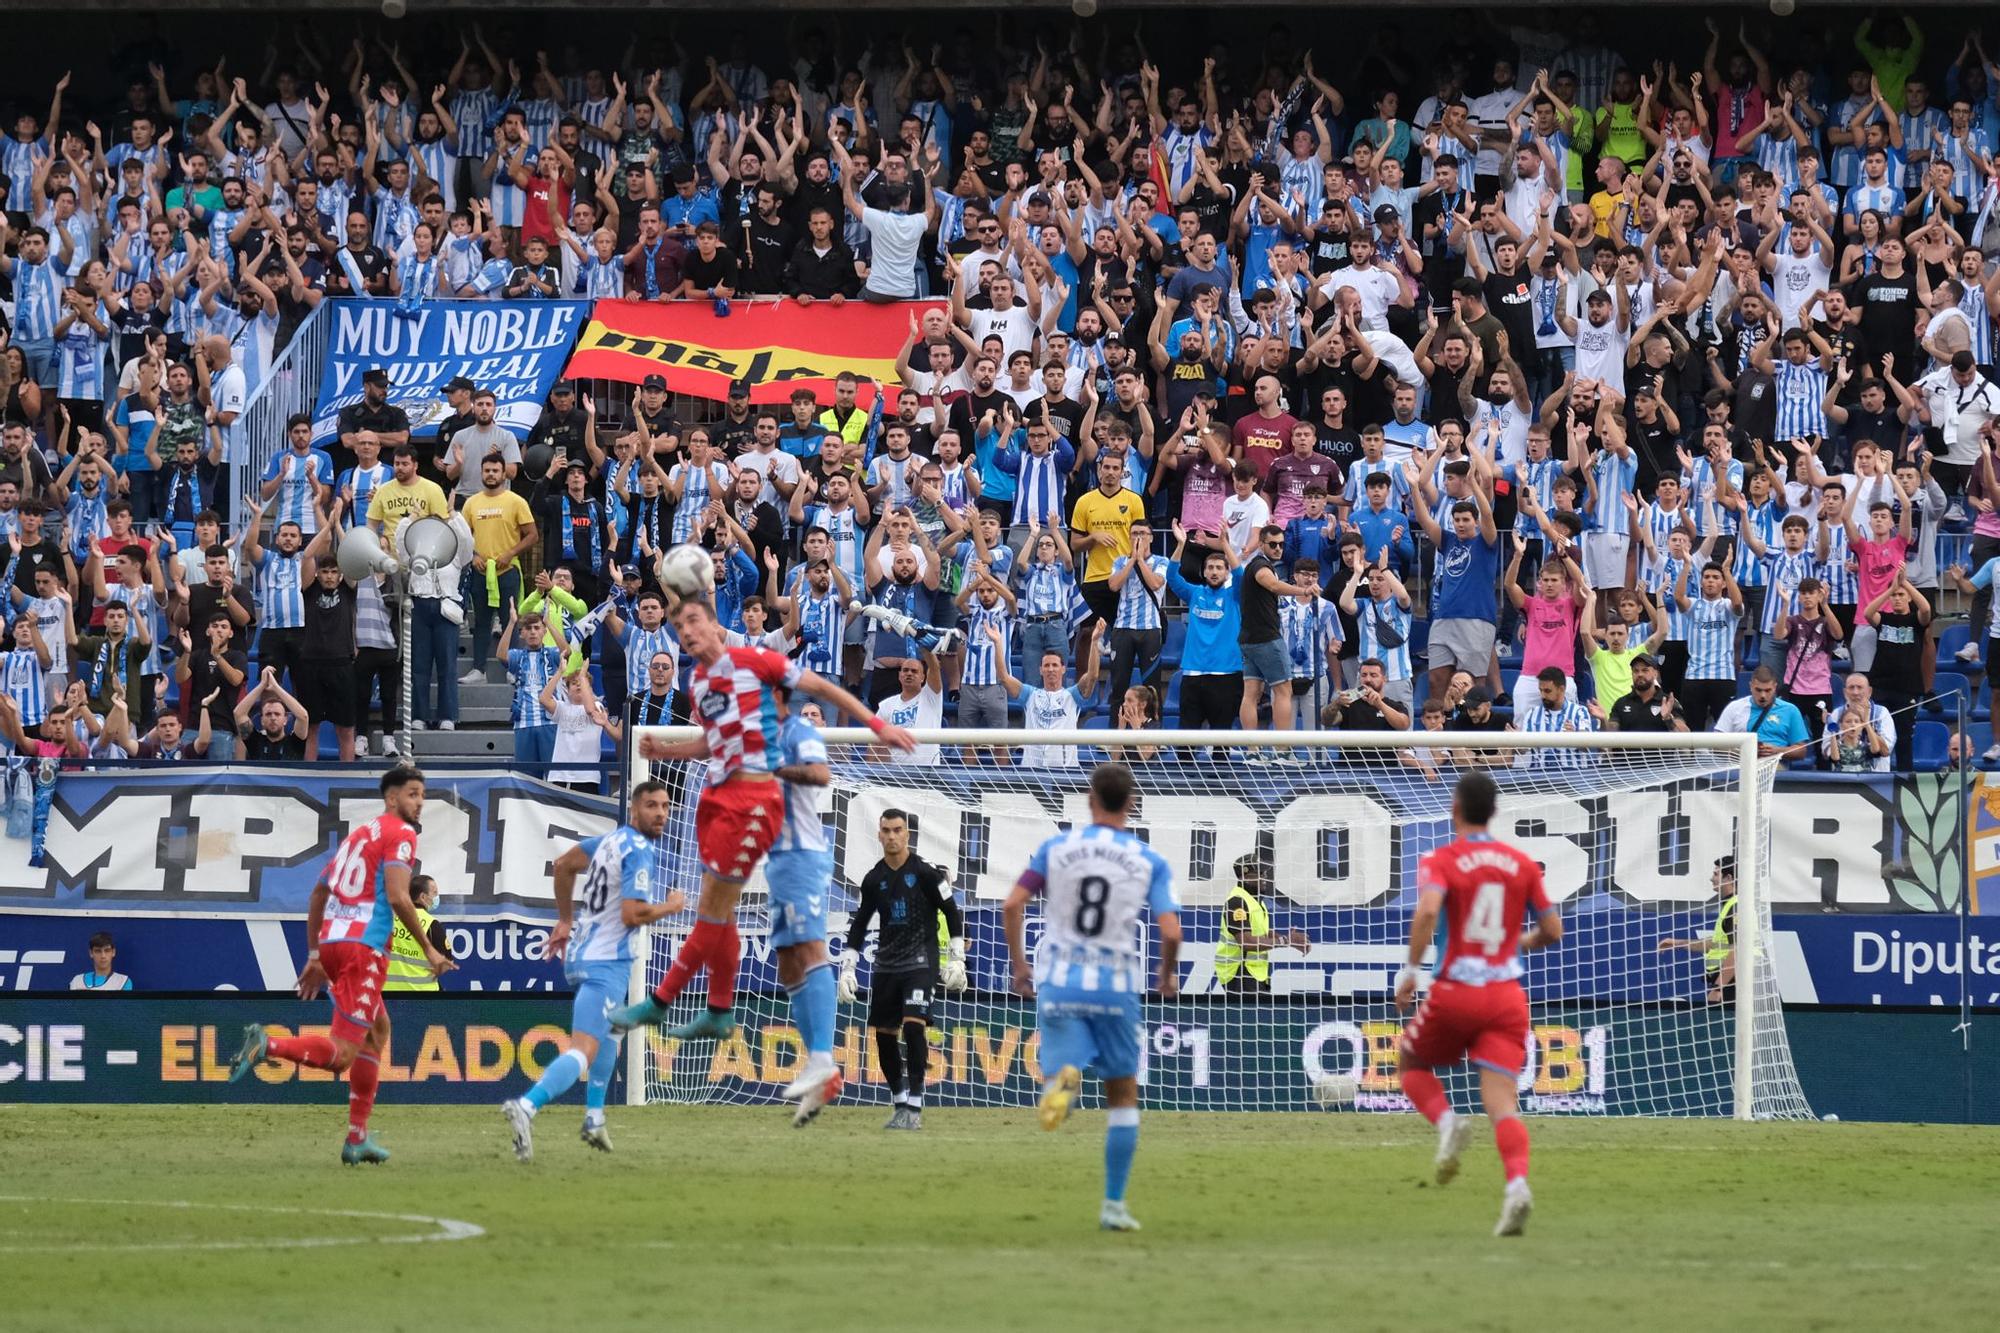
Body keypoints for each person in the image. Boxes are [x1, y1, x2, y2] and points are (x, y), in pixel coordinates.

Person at [612, 598, 913, 1041]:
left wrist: (875, 724)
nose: (688, 633)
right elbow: (713, 742)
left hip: (753, 798)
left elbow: (823, 688)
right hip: (719, 795)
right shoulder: (697, 684)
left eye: (694, 622)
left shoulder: (753, 659)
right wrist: (666, 752)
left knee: (715, 907)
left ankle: (661, 1003)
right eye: (680, 627)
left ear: (717, 628)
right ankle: (716, 1009)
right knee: (719, 909)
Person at [227, 766, 455, 1165]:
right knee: (344, 1054)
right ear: (391, 799)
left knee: (378, 1029)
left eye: (422, 795)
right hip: (363, 948)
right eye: (412, 794)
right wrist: (431, 951)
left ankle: (357, 1137)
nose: (419, 803)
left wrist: (316, 954)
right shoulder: (400, 835)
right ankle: (269, 1044)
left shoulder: (360, 835)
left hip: (335, 942)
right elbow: (402, 899)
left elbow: (318, 892)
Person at [1004, 762, 1181, 1233]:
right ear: (1131, 804)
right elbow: (1170, 929)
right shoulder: (1149, 860)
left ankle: (1059, 1082)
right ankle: (1113, 1205)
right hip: (1115, 986)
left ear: (1090, 800)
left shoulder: (1056, 847)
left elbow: (1012, 903)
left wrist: (1021, 966)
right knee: (1123, 1094)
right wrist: (1166, 976)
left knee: (1062, 1066)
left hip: (1059, 982)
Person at [1395, 769, 1563, 1238]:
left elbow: (1428, 910)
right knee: (1504, 1103)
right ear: (1493, 812)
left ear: (1454, 809)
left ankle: (1447, 1122)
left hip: (1456, 989)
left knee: (1409, 1059)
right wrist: (1515, 944)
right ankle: (1516, 1187)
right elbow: (1553, 931)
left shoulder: (1441, 859)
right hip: (1508, 997)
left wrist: (1410, 972)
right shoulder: (1522, 863)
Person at [503, 780, 683, 1160]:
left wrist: (565, 920)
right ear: (633, 810)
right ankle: (528, 1105)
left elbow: (564, 864)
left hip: (587, 953)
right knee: (583, 1048)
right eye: (652, 805)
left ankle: (595, 1117)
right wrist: (671, 907)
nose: (661, 813)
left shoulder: (608, 841)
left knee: (614, 1032)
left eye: (666, 806)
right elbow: (632, 914)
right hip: (605, 961)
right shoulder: (638, 850)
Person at [839, 808, 968, 1130]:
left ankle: (915, 1103)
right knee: (884, 1036)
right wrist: (848, 965)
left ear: (907, 834)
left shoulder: (926, 874)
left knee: (913, 1026)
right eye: (886, 830)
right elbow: (860, 922)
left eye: (898, 830)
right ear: (879, 834)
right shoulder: (873, 879)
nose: (892, 836)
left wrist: (956, 957)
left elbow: (951, 912)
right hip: (886, 965)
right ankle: (898, 1102)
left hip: (920, 962)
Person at [768, 693, 844, 1125]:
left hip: (803, 855)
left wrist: (774, 769)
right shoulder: (757, 735)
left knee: (811, 949)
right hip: (777, 859)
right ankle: (818, 1073)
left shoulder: (799, 731)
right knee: (787, 962)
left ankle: (822, 1058)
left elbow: (820, 773)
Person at [1213, 851, 1310, 994]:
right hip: (1239, 972)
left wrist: (1288, 940)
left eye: (1264, 873)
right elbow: (1246, 942)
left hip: (1255, 972)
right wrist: (1285, 941)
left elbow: (1262, 933)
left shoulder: (1256, 901)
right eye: (1260, 873)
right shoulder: (1237, 902)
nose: (1265, 877)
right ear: (1244, 876)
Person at [1658, 856, 1738, 1004]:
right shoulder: (1730, 905)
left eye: (1716, 874)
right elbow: (1717, 945)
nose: (1711, 879)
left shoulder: (1736, 907)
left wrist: (1718, 988)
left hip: (1733, 985)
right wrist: (1677, 943)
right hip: (1729, 983)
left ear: (1728, 878)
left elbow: (1737, 951)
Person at [382, 875, 454, 992]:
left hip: (388, 994)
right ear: (423, 897)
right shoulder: (431, 925)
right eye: (434, 893)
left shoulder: (389, 919)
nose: (437, 897)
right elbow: (447, 963)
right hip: (421, 997)